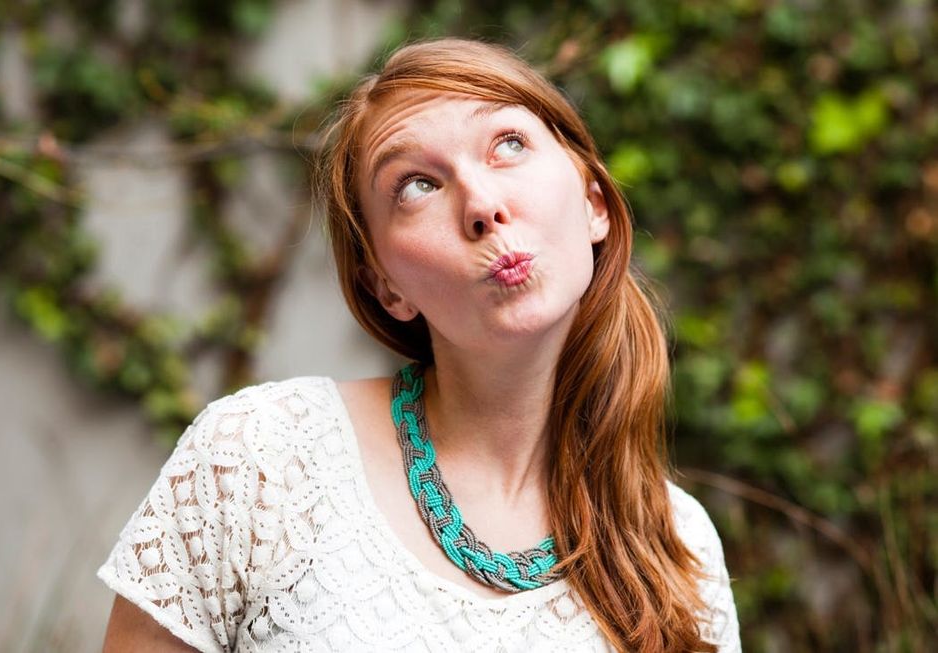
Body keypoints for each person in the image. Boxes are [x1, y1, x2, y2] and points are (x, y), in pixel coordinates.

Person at [99, 38, 740, 652]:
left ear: (594, 202)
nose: (482, 205)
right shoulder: (263, 460)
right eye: (417, 186)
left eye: (508, 144)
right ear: (386, 286)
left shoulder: (681, 548)